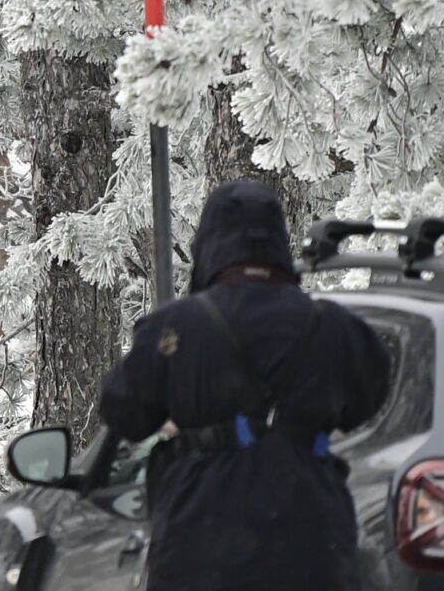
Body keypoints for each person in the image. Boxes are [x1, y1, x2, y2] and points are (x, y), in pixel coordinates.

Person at [100, 178, 392, 591]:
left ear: (208, 246)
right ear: (278, 243)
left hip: (199, 543)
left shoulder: (175, 327)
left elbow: (124, 412)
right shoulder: (334, 327)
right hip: (312, 541)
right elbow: (368, 400)